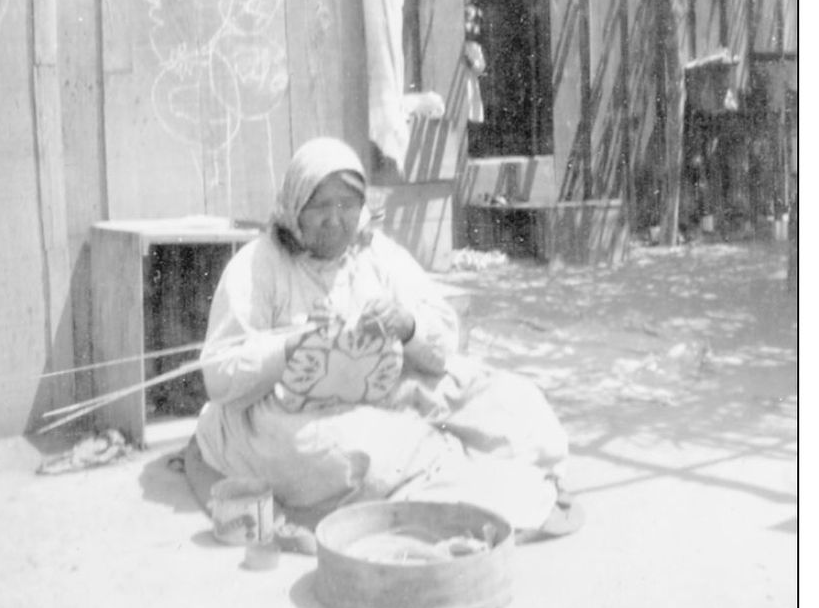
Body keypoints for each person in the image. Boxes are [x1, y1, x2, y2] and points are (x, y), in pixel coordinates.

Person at [194, 137, 578, 535]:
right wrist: (292, 346)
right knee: (357, 453)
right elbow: (220, 376)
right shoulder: (257, 265)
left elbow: (443, 340)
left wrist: (407, 324)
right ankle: (446, 480)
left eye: (347, 205)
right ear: (295, 206)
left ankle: (454, 474)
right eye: (320, 206)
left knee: (512, 402)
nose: (335, 219)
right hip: (285, 409)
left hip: (384, 388)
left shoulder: (375, 252)